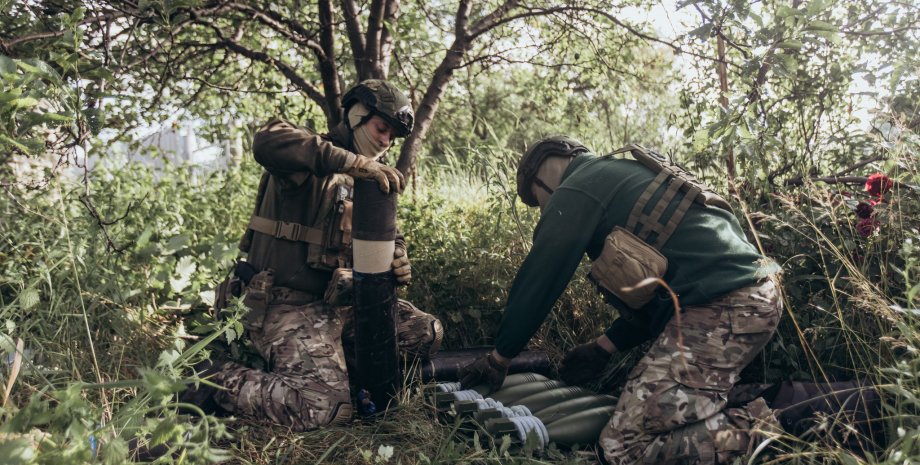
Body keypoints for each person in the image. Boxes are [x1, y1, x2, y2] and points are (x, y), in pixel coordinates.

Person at [458, 137, 782, 464]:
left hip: (724, 309)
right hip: (749, 300)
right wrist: (604, 347)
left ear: (541, 177)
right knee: (658, 413)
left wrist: (500, 357)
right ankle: (775, 400)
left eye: (537, 200)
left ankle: (773, 426)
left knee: (622, 448)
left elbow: (541, 277)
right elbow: (660, 295)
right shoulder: (620, 175)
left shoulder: (577, 187)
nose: (543, 210)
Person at [206, 79, 443, 431]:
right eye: (381, 128)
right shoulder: (307, 159)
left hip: (340, 306)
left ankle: (333, 372)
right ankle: (212, 377)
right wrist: (352, 163)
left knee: (425, 332)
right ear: (357, 115)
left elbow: (391, 236)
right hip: (285, 306)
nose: (385, 141)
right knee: (324, 409)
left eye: (393, 136)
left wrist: (398, 256)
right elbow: (267, 141)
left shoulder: (369, 180)